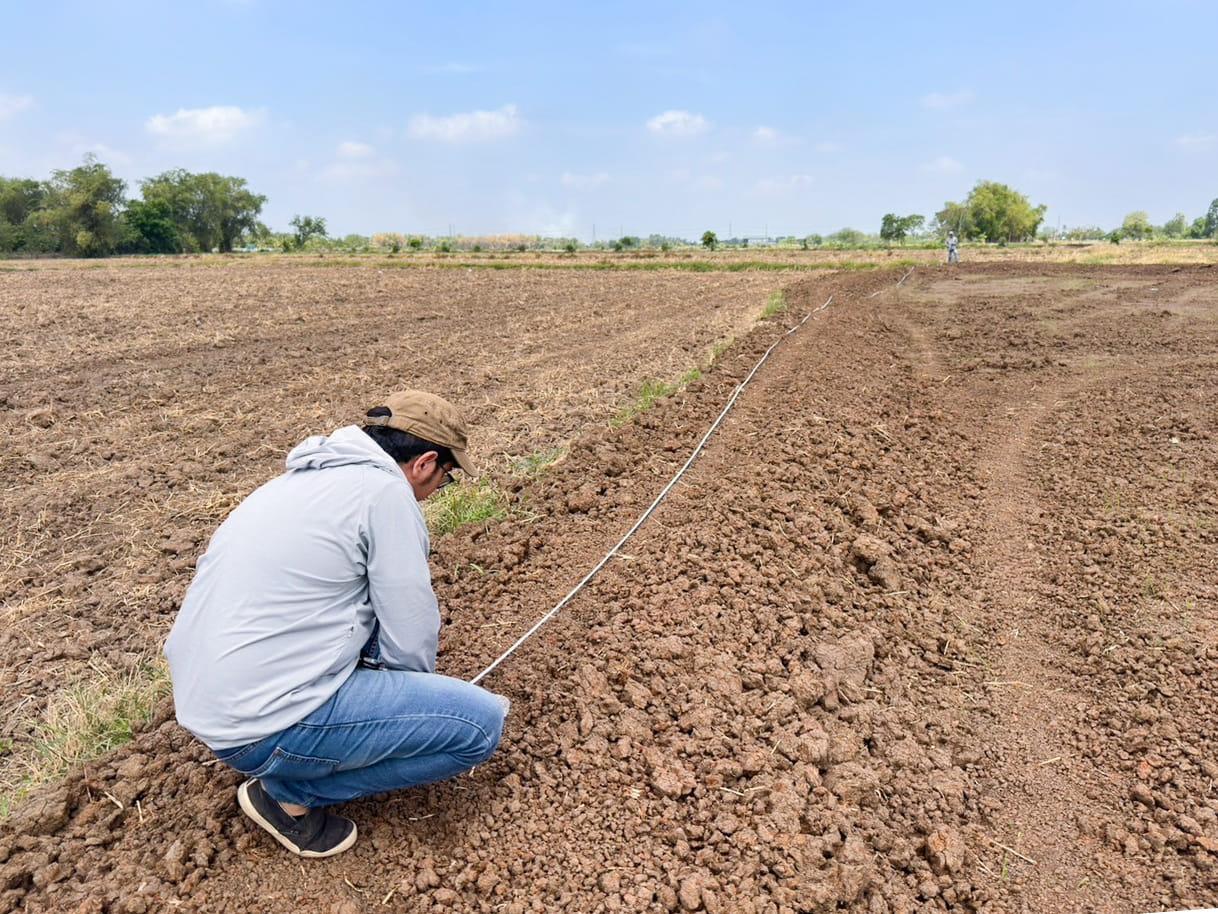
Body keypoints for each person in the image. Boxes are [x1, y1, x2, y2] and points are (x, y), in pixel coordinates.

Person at [164, 390, 508, 858]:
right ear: (426, 463)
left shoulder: (297, 483)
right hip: (264, 725)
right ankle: (289, 796)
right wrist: (410, 707)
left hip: (212, 705)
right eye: (445, 479)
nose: (434, 492)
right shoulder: (386, 494)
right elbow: (410, 629)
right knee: (479, 725)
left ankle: (295, 759)